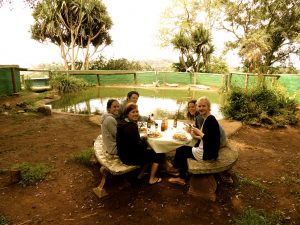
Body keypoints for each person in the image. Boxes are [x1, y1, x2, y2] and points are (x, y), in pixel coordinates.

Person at [168, 96, 220, 186]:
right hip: (208, 150)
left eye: (203, 106)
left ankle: (180, 176)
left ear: (208, 107)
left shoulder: (210, 120)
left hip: (207, 153)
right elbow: (208, 138)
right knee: (183, 149)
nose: (201, 108)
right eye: (199, 106)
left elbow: (209, 139)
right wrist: (197, 133)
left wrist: (197, 131)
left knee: (182, 150)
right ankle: (180, 171)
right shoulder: (207, 119)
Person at [116, 103, 164, 185]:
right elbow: (139, 146)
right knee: (159, 153)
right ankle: (152, 179)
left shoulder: (123, 122)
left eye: (137, 112)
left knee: (150, 152)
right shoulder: (130, 126)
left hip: (123, 153)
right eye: (133, 112)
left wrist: (141, 140)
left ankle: (140, 175)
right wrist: (144, 141)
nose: (135, 114)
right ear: (127, 114)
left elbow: (133, 141)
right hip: (128, 157)